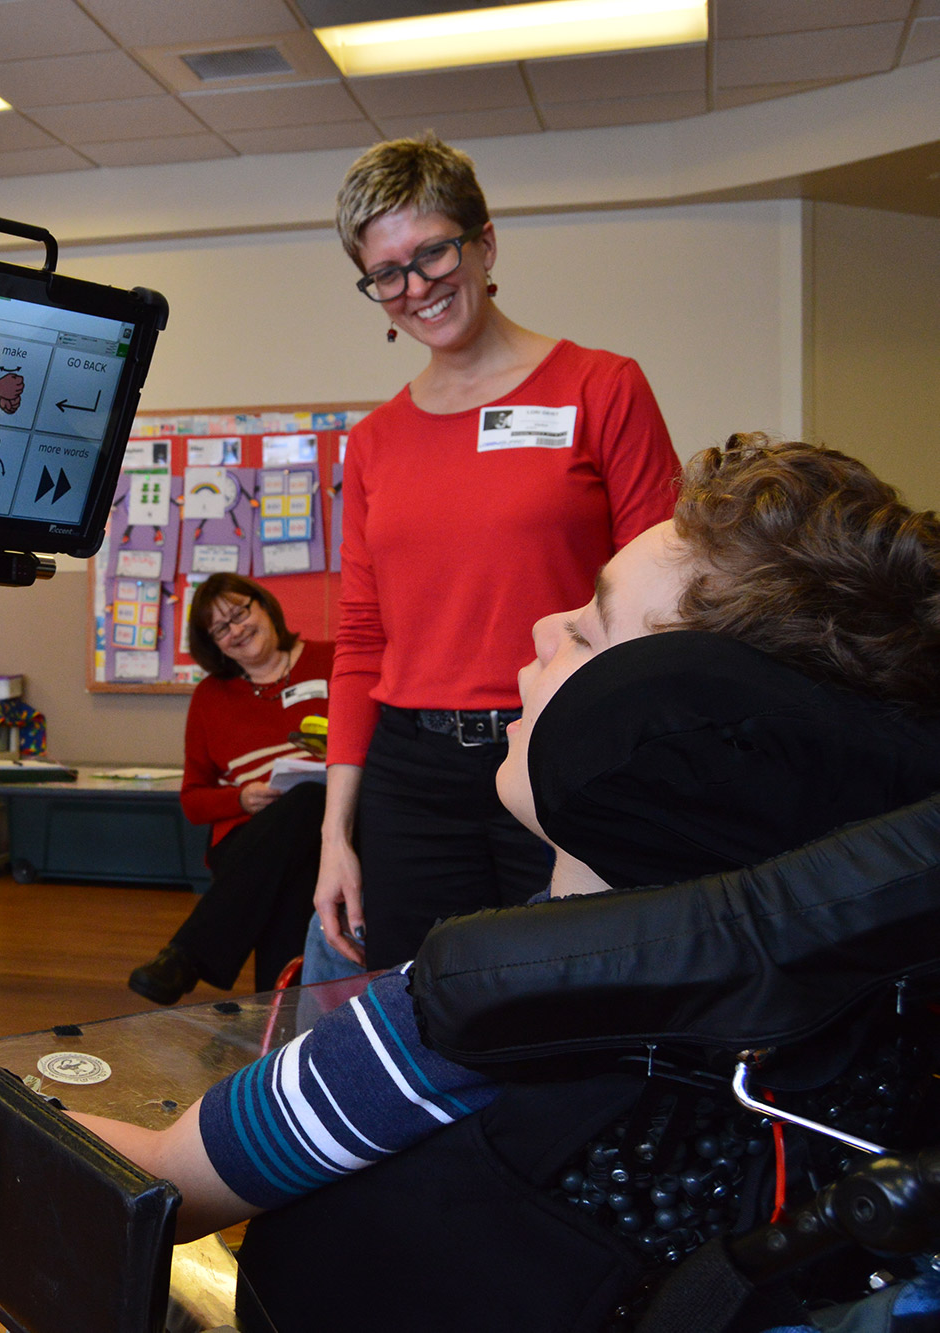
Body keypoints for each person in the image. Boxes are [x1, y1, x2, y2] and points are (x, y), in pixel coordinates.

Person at [62, 438, 940, 1329]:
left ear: (674, 727)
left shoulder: (478, 1003)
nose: (537, 628)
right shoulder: (872, 1002)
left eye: (588, 629)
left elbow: (166, 1182)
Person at [314, 134, 682, 972]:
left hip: (559, 748)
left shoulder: (600, 387)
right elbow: (361, 638)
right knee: (420, 1011)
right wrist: (336, 834)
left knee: (563, 997)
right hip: (409, 776)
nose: (416, 288)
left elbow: (659, 604)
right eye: (387, 273)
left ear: (482, 243)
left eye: (432, 252)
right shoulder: (372, 443)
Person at [127, 575, 331, 1004]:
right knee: (297, 848)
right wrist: (240, 797)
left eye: (240, 613)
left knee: (310, 804)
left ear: (264, 607)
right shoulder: (210, 696)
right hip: (248, 834)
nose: (236, 630)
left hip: (341, 818)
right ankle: (288, 1022)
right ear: (213, 643)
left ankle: (187, 956)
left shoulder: (332, 660)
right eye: (220, 628)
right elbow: (193, 799)